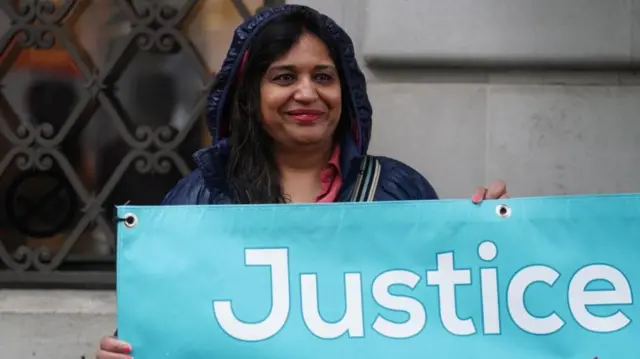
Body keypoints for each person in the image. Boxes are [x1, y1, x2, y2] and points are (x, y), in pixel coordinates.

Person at [96, 4, 508, 358]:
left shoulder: (397, 190)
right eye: (284, 77)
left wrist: (489, 242)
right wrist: (121, 349)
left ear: (346, 91)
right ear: (250, 95)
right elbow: (162, 326)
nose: (307, 93)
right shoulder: (200, 200)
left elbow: (452, 324)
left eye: (324, 77)